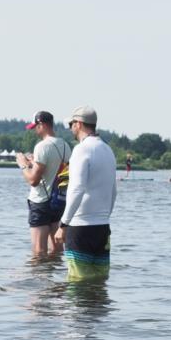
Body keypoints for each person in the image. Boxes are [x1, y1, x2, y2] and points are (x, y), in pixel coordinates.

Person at [54, 107, 117, 280]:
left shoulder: (81, 150)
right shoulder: (108, 150)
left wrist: (63, 224)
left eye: (71, 124)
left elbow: (77, 188)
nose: (70, 128)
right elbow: (113, 191)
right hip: (103, 227)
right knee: (99, 282)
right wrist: (104, 216)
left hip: (81, 226)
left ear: (79, 124)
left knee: (78, 283)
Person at [16, 110, 71, 255]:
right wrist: (34, 162)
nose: (34, 130)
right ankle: (55, 276)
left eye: (35, 126)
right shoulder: (65, 145)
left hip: (40, 202)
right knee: (57, 249)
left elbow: (33, 180)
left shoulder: (41, 146)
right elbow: (57, 170)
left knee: (38, 250)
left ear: (42, 125)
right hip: (58, 201)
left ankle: (38, 277)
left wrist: (23, 164)